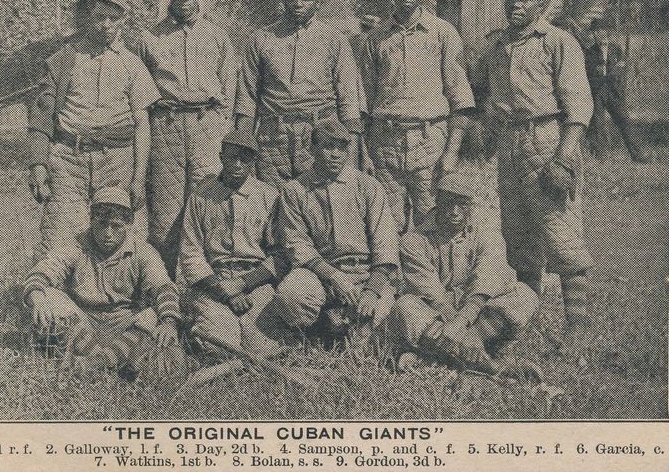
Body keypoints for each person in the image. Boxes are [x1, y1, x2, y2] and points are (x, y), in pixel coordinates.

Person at [475, 0, 596, 346]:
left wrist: (562, 158)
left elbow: (579, 106)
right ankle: (521, 327)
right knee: (520, 245)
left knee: (561, 238)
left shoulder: (557, 41)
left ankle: (576, 334)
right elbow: (489, 101)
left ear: (540, 3)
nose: (516, 3)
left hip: (547, 140)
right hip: (510, 146)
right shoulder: (497, 48)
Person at [28, 0, 159, 260]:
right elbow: (41, 116)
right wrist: (38, 165)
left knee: (120, 240)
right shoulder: (63, 59)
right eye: (100, 17)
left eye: (113, 18)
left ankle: (114, 299)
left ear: (123, 19)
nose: (106, 25)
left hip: (116, 162)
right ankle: (52, 298)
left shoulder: (132, 65)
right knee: (59, 239)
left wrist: (137, 178)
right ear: (90, 15)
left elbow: (142, 124)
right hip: (67, 162)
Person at [390, 172, 541, 380]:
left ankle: (450, 355)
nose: (454, 211)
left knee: (524, 294)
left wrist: (468, 327)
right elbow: (434, 296)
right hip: (439, 317)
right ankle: (488, 365)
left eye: (462, 204)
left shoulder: (486, 232)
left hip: (477, 316)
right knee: (405, 306)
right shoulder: (414, 241)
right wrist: (458, 327)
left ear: (471, 206)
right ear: (436, 201)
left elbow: (489, 275)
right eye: (448, 203)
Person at [138, 0, 237, 276]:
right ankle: (162, 291)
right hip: (166, 128)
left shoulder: (218, 36)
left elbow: (229, 89)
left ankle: (212, 290)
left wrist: (221, 128)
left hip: (207, 126)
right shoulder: (150, 37)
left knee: (210, 207)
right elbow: (138, 88)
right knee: (165, 219)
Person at [362, 0, 475, 232]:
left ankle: (428, 275)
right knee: (387, 222)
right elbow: (363, 101)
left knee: (432, 218)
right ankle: (392, 275)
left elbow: (460, 98)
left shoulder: (443, 33)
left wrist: (451, 152)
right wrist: (363, 153)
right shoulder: (375, 38)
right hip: (385, 141)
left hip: (429, 140)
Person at [23, 187, 184, 375]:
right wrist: (39, 298)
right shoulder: (76, 245)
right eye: (101, 224)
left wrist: (170, 322)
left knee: (152, 315)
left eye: (116, 226)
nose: (108, 233)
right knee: (49, 296)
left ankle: (93, 364)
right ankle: (112, 362)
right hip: (83, 323)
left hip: (125, 325)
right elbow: (43, 271)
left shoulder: (143, 252)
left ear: (129, 225)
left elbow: (163, 287)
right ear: (91, 221)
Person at [234, 0, 365, 187]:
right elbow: (246, 99)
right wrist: (243, 144)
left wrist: (351, 151)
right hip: (272, 137)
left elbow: (349, 98)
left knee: (320, 203)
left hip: (320, 134)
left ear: (319, 2)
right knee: (272, 205)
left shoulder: (335, 40)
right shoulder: (261, 39)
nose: (298, 3)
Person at [272, 119, 399, 338]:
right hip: (320, 274)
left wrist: (372, 290)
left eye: (342, 147)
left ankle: (346, 328)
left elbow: (386, 245)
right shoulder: (294, 190)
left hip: (363, 273)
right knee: (290, 296)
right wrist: (332, 275)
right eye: (328, 146)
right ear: (312, 148)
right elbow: (297, 245)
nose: (336, 154)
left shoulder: (367, 185)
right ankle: (320, 328)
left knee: (378, 322)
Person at [180, 130, 288, 355]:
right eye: (232, 158)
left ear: (254, 161)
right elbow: (191, 254)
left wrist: (244, 284)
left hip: (255, 282)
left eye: (245, 159)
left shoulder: (268, 196)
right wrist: (225, 291)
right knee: (219, 347)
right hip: (213, 282)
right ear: (221, 157)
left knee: (264, 349)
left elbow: (279, 254)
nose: (238, 164)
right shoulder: (201, 196)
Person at [584, 17, 651, 163]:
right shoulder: (589, 53)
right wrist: (601, 72)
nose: (596, 35)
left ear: (605, 32)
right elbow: (589, 73)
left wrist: (610, 73)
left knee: (625, 121)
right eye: (594, 32)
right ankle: (600, 157)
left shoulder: (616, 49)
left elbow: (622, 69)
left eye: (598, 31)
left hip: (614, 92)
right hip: (597, 93)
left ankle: (638, 156)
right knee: (597, 124)